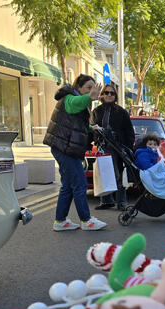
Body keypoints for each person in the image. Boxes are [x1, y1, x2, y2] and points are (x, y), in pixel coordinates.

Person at [43, 74, 107, 231]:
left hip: (64, 146)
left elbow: (75, 124)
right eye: (88, 88)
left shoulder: (76, 100)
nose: (92, 91)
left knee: (68, 186)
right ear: (78, 88)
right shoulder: (70, 98)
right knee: (80, 183)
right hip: (64, 147)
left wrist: (92, 128)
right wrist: (89, 97)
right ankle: (86, 220)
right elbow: (74, 105)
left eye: (93, 88)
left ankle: (60, 221)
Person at [91, 83, 136, 211]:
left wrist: (128, 147)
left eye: (112, 93)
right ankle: (106, 201)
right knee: (104, 174)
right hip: (102, 147)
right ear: (102, 95)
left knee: (119, 174)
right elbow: (91, 128)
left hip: (118, 147)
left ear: (115, 96)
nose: (109, 95)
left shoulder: (121, 112)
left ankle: (121, 201)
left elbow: (129, 131)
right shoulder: (96, 111)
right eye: (106, 93)